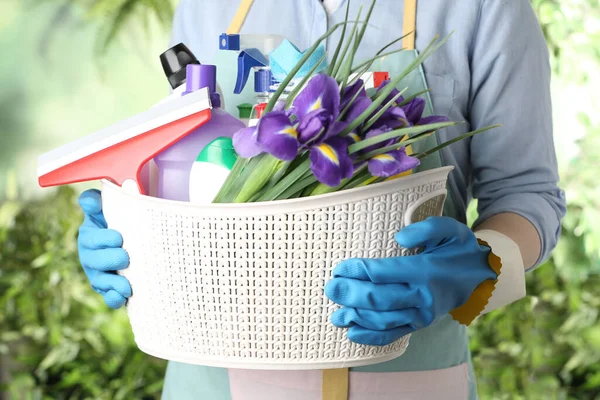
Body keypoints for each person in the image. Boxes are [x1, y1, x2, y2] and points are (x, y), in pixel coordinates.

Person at [76, 0, 566, 398]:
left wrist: (480, 265)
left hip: (406, 376)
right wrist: (129, 222)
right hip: (210, 379)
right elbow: (179, 159)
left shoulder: (484, 8)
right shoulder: (208, 6)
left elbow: (529, 193)